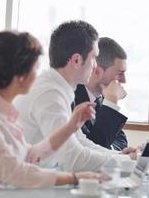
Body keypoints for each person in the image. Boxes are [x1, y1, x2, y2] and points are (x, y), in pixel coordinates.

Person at [14, 20, 135, 173]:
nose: (95, 66)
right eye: (94, 58)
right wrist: (126, 161)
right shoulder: (50, 94)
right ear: (77, 60)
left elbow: (80, 142)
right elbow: (72, 159)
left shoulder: (58, 88)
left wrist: (119, 156)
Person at [0, 30, 105, 189]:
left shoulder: (5, 114)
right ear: (21, 75)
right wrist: (73, 178)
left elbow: (30, 155)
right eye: (36, 68)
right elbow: (15, 172)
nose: (38, 75)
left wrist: (70, 127)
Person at [74, 37, 128, 151]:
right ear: (97, 70)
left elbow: (121, 141)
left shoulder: (101, 99)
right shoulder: (72, 99)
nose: (124, 81)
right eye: (120, 73)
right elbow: (91, 150)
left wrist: (113, 151)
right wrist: (111, 101)